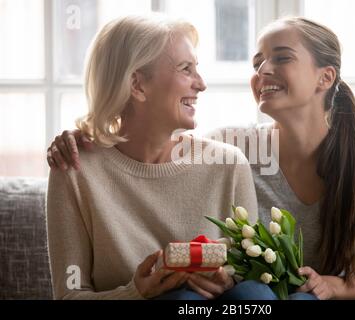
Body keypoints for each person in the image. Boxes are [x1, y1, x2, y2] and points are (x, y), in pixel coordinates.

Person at [47, 16, 355, 300]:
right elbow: (155, 149)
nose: (262, 71)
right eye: (257, 62)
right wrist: (88, 134)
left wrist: (336, 286)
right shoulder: (232, 149)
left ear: (325, 77)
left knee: (262, 296)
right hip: (230, 296)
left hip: (302, 296)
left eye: (281, 58)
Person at [46, 14, 259, 300]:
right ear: (137, 85)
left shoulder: (229, 164)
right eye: (186, 69)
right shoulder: (73, 169)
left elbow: (252, 268)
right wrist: (135, 293)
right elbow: (69, 294)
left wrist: (229, 281)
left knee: (253, 295)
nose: (201, 84)